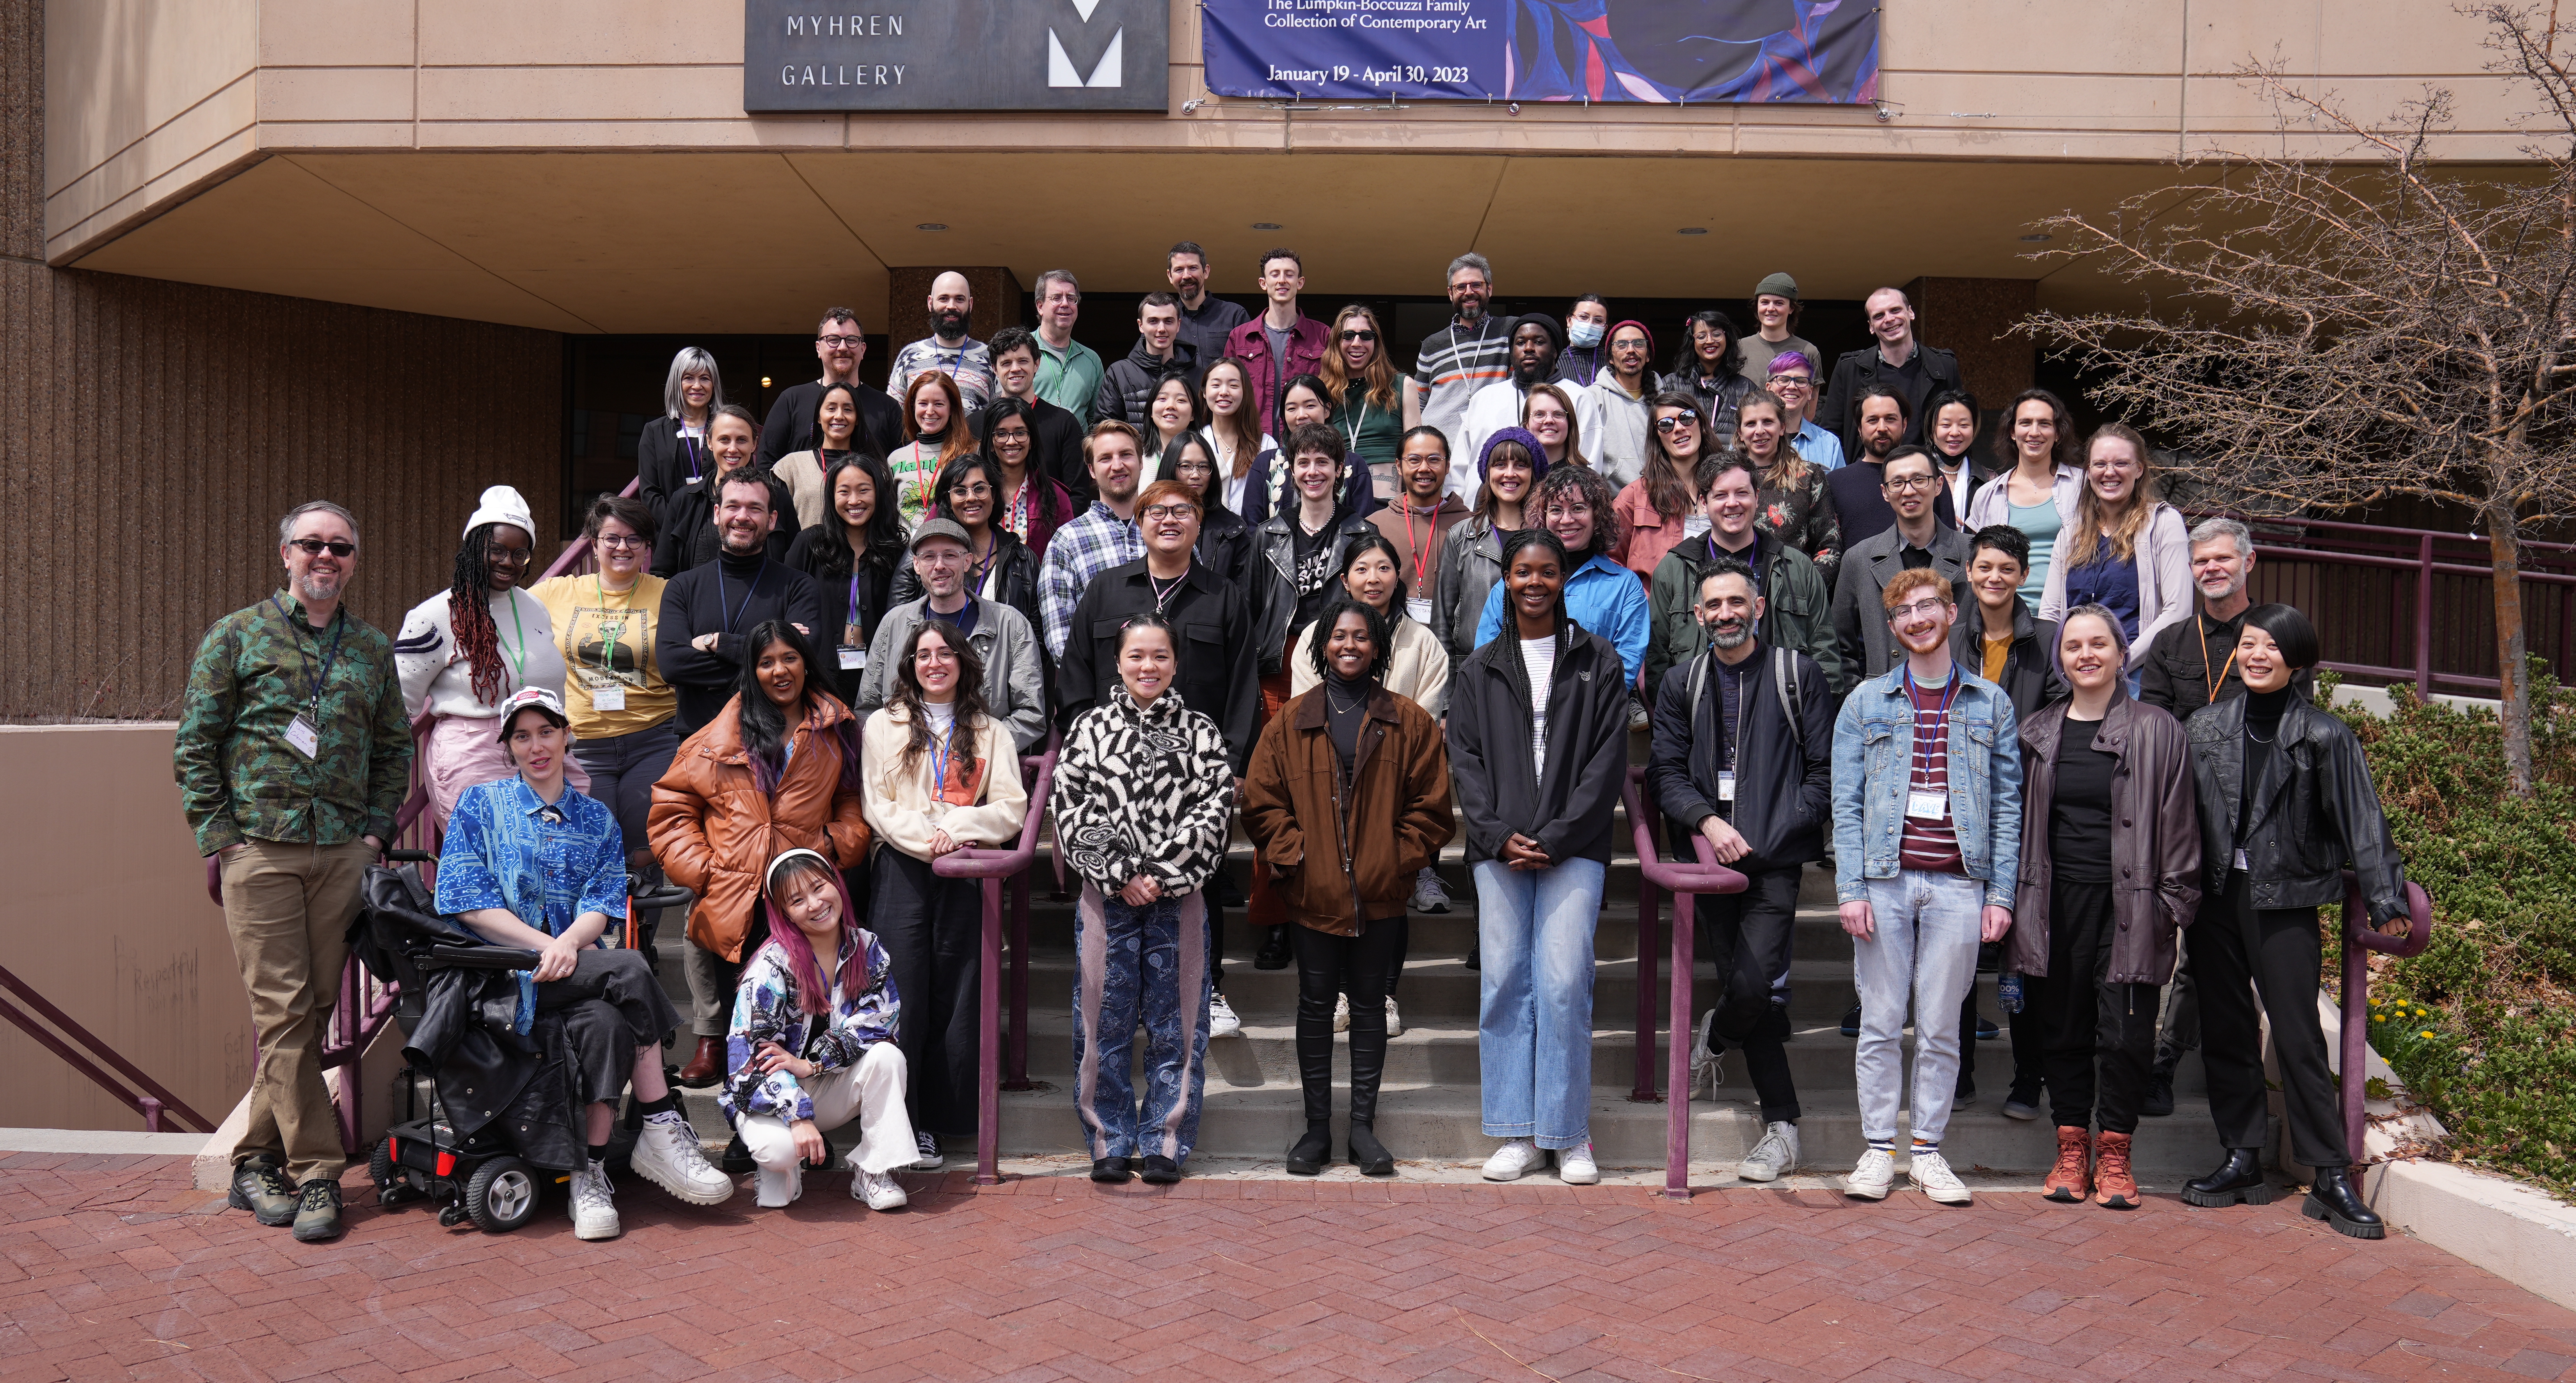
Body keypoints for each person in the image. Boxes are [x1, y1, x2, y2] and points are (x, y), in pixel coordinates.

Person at [179, 501, 410, 1243]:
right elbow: (196, 745)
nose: (325, 558)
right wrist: (223, 840)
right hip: (262, 853)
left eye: (340, 548)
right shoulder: (237, 636)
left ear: (353, 561)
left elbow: (393, 749)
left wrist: (375, 835)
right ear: (285, 554)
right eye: (312, 544)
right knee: (283, 1014)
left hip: (341, 850)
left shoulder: (371, 649)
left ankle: (253, 1159)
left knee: (309, 1017)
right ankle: (318, 1173)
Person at [436, 687, 734, 1239]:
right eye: (522, 736)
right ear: (508, 746)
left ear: (567, 733)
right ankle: (661, 1123)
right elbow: (467, 901)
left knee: (607, 1019)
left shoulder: (596, 819)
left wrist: (568, 944)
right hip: (501, 976)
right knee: (628, 969)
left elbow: (600, 905)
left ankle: (588, 1175)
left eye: (546, 732)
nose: (536, 746)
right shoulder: (481, 805)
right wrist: (544, 946)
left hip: (571, 973)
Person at [2180, 604, 2410, 1240]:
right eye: (2248, 645)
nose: (2256, 656)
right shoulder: (2203, 729)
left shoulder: (2324, 736)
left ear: (2296, 658)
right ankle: (2242, 1156)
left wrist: (2387, 900)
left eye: (2271, 648)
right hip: (2215, 898)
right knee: (2225, 1030)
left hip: (2283, 898)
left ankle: (2330, 1173)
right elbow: (2179, 820)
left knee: (2298, 1035)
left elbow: (2362, 821)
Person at [1245, 598, 1456, 1176]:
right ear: (1321, 645)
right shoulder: (1289, 720)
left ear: (1378, 646)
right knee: (1314, 1006)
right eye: (1338, 635)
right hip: (1312, 895)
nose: (1349, 645)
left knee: (1367, 1007)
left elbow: (1433, 811)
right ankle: (1316, 1130)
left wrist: (1394, 862)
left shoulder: (1409, 721)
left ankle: (1362, 1129)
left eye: (1361, 636)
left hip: (1381, 896)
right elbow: (1262, 804)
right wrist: (1298, 856)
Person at [1831, 567, 2022, 1206]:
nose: (1916, 619)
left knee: (1942, 1027)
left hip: (1957, 888)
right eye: (1904, 612)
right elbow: (1847, 804)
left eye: (1927, 607)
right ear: (1893, 628)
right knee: (1882, 1024)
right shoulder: (1864, 703)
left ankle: (1929, 1153)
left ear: (1949, 613)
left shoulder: (1989, 703)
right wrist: (1849, 887)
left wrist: (1999, 896)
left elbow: (2006, 807)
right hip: (1883, 883)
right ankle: (1878, 1150)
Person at [1451, 530, 1631, 1185]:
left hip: (1574, 848)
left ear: (1563, 580)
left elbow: (1607, 759)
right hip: (1497, 850)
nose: (1534, 582)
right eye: (1522, 572)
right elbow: (1465, 761)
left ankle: (1566, 1134)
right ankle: (1516, 1133)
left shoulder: (1597, 660)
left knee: (1561, 983)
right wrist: (1498, 834)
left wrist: (1557, 835)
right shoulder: (1478, 668)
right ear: (1505, 580)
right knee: (1504, 983)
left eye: (1547, 572)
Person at [1054, 478, 1262, 1038]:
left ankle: (1209, 988)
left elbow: (1244, 684)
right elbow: (1075, 676)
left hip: (1193, 778)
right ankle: (1122, 1001)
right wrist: (1085, 748)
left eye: (1182, 511)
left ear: (1199, 522)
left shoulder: (1223, 596)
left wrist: (1236, 762)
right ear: (1138, 523)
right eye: (1156, 512)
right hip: (1111, 779)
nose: (1169, 520)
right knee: (1114, 899)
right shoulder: (1104, 591)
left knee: (1198, 881)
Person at [2008, 608, 2199, 1211]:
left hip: (2132, 903)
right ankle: (2070, 1148)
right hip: (2053, 902)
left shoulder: (2157, 728)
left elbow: (2179, 822)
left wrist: (2172, 903)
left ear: (2122, 654)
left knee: (2125, 1033)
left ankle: (2114, 1152)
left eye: (2099, 644)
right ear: (2060, 658)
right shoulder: (2036, 731)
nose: (2085, 655)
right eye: (2072, 646)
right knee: (2059, 1028)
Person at [1649, 560, 1832, 1183]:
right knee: (1748, 987)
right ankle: (1782, 1128)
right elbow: (1665, 773)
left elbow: (1822, 773)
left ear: (1757, 607)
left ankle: (1719, 1036)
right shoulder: (1682, 682)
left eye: (1736, 602)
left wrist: (1769, 837)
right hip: (1707, 861)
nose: (1725, 613)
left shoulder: (1795, 674)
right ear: (1697, 616)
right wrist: (1708, 824)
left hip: (1773, 864)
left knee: (1753, 991)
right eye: (1713, 605)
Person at [1051, 615, 1238, 1185]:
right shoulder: (1089, 728)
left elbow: (1215, 808)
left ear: (1176, 663)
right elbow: (1071, 802)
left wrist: (1159, 873)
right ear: (1118, 661)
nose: (1147, 667)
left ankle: (1165, 1140)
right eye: (1137, 656)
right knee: (1101, 1022)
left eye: (1159, 656)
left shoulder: (1201, 730)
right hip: (1107, 897)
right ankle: (1107, 1140)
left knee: (1177, 1025)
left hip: (1177, 898)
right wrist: (1120, 872)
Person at [649, 620, 869, 1086]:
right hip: (735, 891)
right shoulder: (719, 736)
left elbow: (851, 799)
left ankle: (800, 1117)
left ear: (806, 663)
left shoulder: (836, 725)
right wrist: (703, 870)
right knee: (743, 1016)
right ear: (752, 671)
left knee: (802, 1014)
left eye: (789, 658)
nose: (780, 670)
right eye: (766, 662)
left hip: (802, 891)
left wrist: (834, 843)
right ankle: (746, 1122)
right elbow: (672, 809)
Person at [859, 620, 1029, 1170]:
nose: (934, 663)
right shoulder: (882, 727)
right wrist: (927, 840)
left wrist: (955, 829)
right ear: (909, 664)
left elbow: (1010, 808)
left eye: (944, 654)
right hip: (901, 870)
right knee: (899, 994)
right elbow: (875, 805)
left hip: (965, 870)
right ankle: (897, 1122)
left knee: (957, 994)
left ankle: (937, 1121)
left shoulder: (990, 730)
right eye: (922, 654)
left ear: (962, 661)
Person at [724, 847, 915, 1211]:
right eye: (798, 900)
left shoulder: (866, 947)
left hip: (824, 1083)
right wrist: (797, 1116)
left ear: (836, 884)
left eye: (819, 887)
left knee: (888, 1058)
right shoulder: (771, 966)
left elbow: (881, 1022)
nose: (815, 904)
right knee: (778, 1157)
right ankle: (782, 1168)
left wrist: (812, 1065)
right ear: (784, 913)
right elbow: (749, 1060)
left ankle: (873, 1172)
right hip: (768, 1097)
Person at [397, 485, 589, 829]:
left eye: (520, 554)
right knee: (489, 856)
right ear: (475, 547)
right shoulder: (435, 616)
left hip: (542, 749)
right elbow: (400, 705)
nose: (508, 562)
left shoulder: (535, 608)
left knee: (562, 850)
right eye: (497, 550)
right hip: (474, 752)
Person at [1290, 532, 1455, 920]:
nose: (1373, 578)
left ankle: (1420, 867)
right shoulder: (1315, 636)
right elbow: (1304, 706)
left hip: (1397, 765)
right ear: (1345, 579)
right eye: (1361, 569)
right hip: (1331, 761)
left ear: (1398, 576)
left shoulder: (1423, 641)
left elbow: (1426, 716)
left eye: (1383, 568)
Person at [1958, 524, 2062, 1122]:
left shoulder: (2045, 641)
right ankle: (1961, 1075)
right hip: (1959, 818)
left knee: (2024, 957)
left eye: (2005, 568)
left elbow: (2055, 720)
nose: (1993, 578)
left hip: (2026, 817)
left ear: (2023, 576)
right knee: (1958, 957)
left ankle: (2029, 1079)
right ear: (1969, 572)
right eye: (1983, 567)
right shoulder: (1950, 637)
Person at [528, 495, 678, 885]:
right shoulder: (554, 593)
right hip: (583, 743)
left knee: (643, 851)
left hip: (653, 739)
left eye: (634, 539)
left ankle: (639, 938)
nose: (622, 548)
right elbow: (502, 617)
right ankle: (593, 942)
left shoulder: (670, 594)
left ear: (647, 546)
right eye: (611, 538)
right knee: (587, 845)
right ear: (593, 543)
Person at [1645, 453, 1839, 690]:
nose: (1732, 503)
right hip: (1701, 714)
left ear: (1757, 498)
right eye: (1721, 495)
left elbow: (1825, 655)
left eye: (1742, 493)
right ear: (1704, 503)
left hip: (1784, 713)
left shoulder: (1798, 568)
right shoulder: (1673, 570)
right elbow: (1658, 663)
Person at [656, 470, 826, 737]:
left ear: (772, 520)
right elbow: (672, 665)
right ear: (716, 514)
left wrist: (717, 643)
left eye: (755, 508)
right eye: (733, 506)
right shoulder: (682, 586)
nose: (742, 517)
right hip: (699, 743)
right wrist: (768, 659)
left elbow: (799, 664)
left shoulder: (799, 586)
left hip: (776, 741)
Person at [859, 517, 1047, 754]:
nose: (940, 566)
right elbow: (868, 709)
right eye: (929, 557)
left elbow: (1030, 715)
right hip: (905, 767)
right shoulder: (893, 624)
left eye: (950, 555)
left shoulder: (1011, 625)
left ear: (967, 561)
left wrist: (972, 752)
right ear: (916, 565)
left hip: (981, 771)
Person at [1473, 461, 1651, 700]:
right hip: (1518, 713)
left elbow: (1626, 663)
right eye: (1556, 510)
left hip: (1590, 718)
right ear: (1543, 517)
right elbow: (1487, 652)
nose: (1567, 520)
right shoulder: (1515, 582)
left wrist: (1586, 710)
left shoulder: (1624, 586)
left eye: (1578, 508)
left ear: (1597, 515)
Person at [2040, 424, 2193, 680]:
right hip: (2076, 678)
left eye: (2121, 463)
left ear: (2139, 469)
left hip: (2136, 677)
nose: (2110, 472)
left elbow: (2178, 611)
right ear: (2088, 472)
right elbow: (2050, 613)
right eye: (2100, 464)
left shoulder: (2163, 523)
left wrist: (2121, 664)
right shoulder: (2070, 532)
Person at [1830, 446, 1972, 694]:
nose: (1909, 491)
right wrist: (1858, 698)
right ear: (1885, 493)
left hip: (1960, 698)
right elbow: (1839, 644)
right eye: (1897, 483)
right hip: (1883, 705)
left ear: (1939, 485)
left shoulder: (1972, 554)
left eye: (1919, 480)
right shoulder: (1859, 559)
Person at [783, 454, 906, 707]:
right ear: (831, 496)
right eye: (844, 492)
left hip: (879, 677)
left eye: (864, 491)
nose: (854, 501)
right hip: (816, 675)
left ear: (879, 495)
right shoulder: (810, 544)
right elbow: (782, 599)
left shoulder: (896, 551)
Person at [887, 453, 1046, 641]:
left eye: (980, 489)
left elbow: (1035, 636)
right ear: (948, 499)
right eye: (960, 491)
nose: (971, 498)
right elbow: (898, 629)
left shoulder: (1023, 558)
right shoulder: (923, 553)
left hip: (1003, 667)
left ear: (993, 495)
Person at [1432, 429, 1542, 678]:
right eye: (1500, 464)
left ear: (1534, 474)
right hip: (1474, 672)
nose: (1510, 474)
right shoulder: (1461, 537)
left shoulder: (1549, 539)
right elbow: (1442, 625)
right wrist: (1448, 701)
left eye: (1521, 465)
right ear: (1487, 472)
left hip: (1537, 671)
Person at [1037, 421, 1148, 662]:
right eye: (1105, 458)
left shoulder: (1167, 528)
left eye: (1126, 455)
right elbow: (1060, 638)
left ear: (1141, 462)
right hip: (1099, 690)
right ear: (1091, 470)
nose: (1117, 466)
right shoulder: (1068, 541)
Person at [1965, 388, 2085, 605]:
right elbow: (1977, 564)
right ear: (2013, 432)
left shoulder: (2083, 486)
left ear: (2058, 433)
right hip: (2005, 617)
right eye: (2026, 423)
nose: (2035, 432)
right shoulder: (1988, 495)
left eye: (2045, 424)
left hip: (2069, 615)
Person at [1818, 287, 1965, 458]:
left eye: (1895, 310)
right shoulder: (1850, 369)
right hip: (1867, 474)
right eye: (1879, 316)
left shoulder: (1945, 366)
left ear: (1911, 313)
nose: (1889, 319)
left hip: (1928, 475)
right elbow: (1832, 434)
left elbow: (1960, 424)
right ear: (1871, 327)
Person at [762, 306, 901, 465]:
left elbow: (900, 469)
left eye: (851, 340)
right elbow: (767, 464)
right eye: (833, 340)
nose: (843, 348)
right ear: (819, 348)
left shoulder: (887, 407)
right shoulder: (791, 400)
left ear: (863, 350)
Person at [1407, 253, 1512, 453]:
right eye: (1461, 287)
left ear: (1489, 288)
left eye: (1476, 285)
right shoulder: (1432, 344)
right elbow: (1418, 406)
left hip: (1495, 449)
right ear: (1450, 293)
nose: (1468, 292)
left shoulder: (1509, 332)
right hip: (1440, 453)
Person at [1366, 426, 1469, 632]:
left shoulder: (1470, 526)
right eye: (1414, 460)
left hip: (1451, 644)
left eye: (1434, 459)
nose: (1424, 469)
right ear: (1398, 466)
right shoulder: (1374, 526)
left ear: (1448, 465)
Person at [1827, 389, 1960, 547]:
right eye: (1873, 420)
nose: (1882, 428)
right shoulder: (1836, 483)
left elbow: (1951, 545)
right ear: (1859, 428)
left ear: (1904, 425)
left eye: (1890, 419)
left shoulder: (1929, 477)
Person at [1738, 389, 1844, 580]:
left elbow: (1830, 546)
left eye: (1768, 422)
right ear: (1740, 431)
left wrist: (1807, 591)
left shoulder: (1807, 477)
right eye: (1751, 424)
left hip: (1794, 595)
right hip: (1735, 596)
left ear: (1782, 427)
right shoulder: (1725, 478)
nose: (1759, 431)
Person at [979, 327, 1089, 505]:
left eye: (1023, 361)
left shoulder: (1064, 423)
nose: (1015, 369)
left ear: (1037, 364)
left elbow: (1078, 496)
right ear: (994, 369)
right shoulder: (977, 424)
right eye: (1006, 363)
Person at [1611, 388, 1709, 583]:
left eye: (1687, 417)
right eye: (1666, 425)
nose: (1679, 428)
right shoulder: (1634, 496)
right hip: (1654, 610)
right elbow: (1611, 563)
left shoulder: (1726, 487)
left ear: (1701, 423)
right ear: (1657, 437)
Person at [1224, 247, 1331, 423]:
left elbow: (1333, 390)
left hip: (1306, 438)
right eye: (1275, 275)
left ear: (1300, 282)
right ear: (1263, 283)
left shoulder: (1323, 335)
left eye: (1289, 275)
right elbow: (1228, 390)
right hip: (1253, 439)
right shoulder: (1240, 337)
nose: (1282, 281)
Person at [1249, 374, 1375, 522]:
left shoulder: (1354, 465)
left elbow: (1363, 530)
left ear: (1327, 409)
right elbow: (1253, 530)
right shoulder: (1266, 464)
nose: (1301, 415)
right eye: (1292, 408)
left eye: (1310, 406)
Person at [1458, 314, 1566, 486]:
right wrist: (1461, 509)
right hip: (1481, 509)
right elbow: (1460, 465)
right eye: (1521, 343)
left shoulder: (1578, 397)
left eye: (1539, 342)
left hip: (1556, 508)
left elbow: (1588, 463)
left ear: (1555, 350)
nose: (1529, 348)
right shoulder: (1485, 398)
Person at [637, 346, 725, 542]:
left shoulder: (726, 430)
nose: (697, 386)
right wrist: (680, 524)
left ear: (714, 385)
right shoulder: (654, 432)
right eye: (688, 378)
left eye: (705, 378)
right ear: (677, 383)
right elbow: (650, 493)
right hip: (673, 537)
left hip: (721, 534)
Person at [977, 394, 1079, 560]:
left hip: (1036, 586)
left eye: (1020, 433)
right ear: (990, 444)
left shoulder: (1056, 496)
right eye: (1001, 434)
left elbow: (1068, 555)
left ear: (1032, 441)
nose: (1011, 442)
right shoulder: (970, 490)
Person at [772, 384, 867, 554]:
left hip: (858, 566)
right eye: (831, 408)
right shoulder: (790, 467)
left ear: (858, 418)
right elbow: (778, 531)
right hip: (803, 566)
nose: (839, 416)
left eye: (848, 409)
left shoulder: (873, 469)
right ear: (818, 417)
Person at [1322, 303, 1404, 501]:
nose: (1357, 343)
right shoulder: (1323, 393)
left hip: (1387, 505)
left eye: (1366, 336)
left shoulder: (1402, 385)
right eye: (1348, 336)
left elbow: (1416, 454)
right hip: (1336, 505)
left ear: (1376, 342)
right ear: (1336, 342)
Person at [885, 271, 994, 411]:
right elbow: (893, 416)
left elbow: (1001, 419)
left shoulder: (990, 358)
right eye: (944, 299)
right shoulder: (909, 357)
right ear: (930, 303)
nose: (951, 306)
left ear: (970, 304)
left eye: (959, 299)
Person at [1165, 431, 1256, 595]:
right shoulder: (1148, 520)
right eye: (1186, 467)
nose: (1195, 475)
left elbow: (1242, 596)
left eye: (1204, 467)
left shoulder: (1234, 530)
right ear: (1171, 467)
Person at [1093, 291, 1197, 430]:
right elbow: (1106, 430)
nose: (1162, 329)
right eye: (1153, 321)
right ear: (1141, 325)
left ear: (1178, 325)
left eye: (1168, 321)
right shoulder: (1119, 373)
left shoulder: (1198, 375)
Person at [1573, 320, 1658, 488]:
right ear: (1610, 358)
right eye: (1621, 345)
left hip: (1660, 497)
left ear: (1648, 355)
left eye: (1639, 344)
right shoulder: (1593, 397)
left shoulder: (1663, 399)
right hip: (1613, 501)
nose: (1631, 350)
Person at [886, 371, 972, 533]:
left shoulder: (969, 455)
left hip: (953, 552)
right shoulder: (896, 459)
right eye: (923, 403)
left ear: (952, 408)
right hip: (906, 554)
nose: (930, 411)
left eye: (939, 404)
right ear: (913, 407)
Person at [1199, 357, 1275, 518]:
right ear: (1204, 392)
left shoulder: (1266, 445)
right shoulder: (1196, 440)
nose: (1224, 392)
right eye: (1216, 385)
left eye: (1233, 385)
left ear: (1245, 392)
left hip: (1251, 537)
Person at [1031, 270, 1105, 426]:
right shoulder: (1020, 351)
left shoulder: (1091, 360)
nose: (1065, 304)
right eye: (1057, 298)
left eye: (1071, 299)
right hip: (1030, 448)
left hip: (1077, 449)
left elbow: (1097, 420)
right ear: (1040, 307)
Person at [1669, 309, 1755, 442]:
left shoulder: (1746, 388)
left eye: (1716, 334)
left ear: (1728, 338)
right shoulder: (1671, 384)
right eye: (1701, 337)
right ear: (1692, 342)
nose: (1709, 341)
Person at [1166, 240, 1252, 371]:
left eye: (1193, 268)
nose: (1186, 276)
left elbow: (1250, 369)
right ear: (1170, 276)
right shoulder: (1163, 320)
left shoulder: (1234, 315)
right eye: (1179, 270)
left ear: (1206, 272)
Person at [1766, 351, 1847, 474]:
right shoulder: (1750, 438)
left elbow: (1840, 491)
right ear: (1769, 388)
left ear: (1810, 392)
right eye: (1783, 380)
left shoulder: (1830, 444)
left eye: (1801, 381)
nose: (1792, 387)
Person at [1738, 273, 1820, 385]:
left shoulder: (1808, 351)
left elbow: (1812, 398)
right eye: (1765, 302)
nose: (1771, 309)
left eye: (1779, 303)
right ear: (1757, 306)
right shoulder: (1738, 348)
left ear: (1791, 308)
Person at [1924, 387, 1987, 524]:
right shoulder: (1912, 476)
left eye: (1964, 425)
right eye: (1946, 425)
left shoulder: (1988, 481)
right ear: (1931, 430)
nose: (1955, 432)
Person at [1138, 375, 1202, 481]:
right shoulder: (1136, 458)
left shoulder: (1209, 459)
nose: (1171, 406)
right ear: (1151, 411)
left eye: (1181, 400)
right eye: (1162, 399)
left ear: (1193, 414)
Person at [1522, 381, 1587, 473]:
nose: (1549, 420)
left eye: (1558, 414)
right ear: (1527, 424)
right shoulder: (1516, 477)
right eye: (1540, 414)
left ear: (1570, 422)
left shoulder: (1587, 481)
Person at [1551, 293, 1612, 389]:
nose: (1590, 324)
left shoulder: (1613, 363)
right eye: (1584, 317)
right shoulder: (1553, 363)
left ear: (1605, 328)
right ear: (1569, 321)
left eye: (1598, 320)